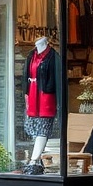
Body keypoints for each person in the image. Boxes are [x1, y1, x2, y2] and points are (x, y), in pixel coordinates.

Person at [22, 36, 60, 175]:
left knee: (43, 127)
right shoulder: (31, 55)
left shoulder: (53, 56)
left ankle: (34, 160)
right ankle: (37, 159)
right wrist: (26, 92)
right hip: (32, 94)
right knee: (32, 127)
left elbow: (56, 78)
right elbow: (26, 75)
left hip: (46, 96)